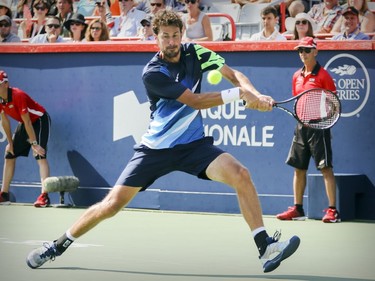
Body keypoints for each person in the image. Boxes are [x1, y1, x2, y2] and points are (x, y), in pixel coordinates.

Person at [26, 10, 300, 273]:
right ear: (155, 38)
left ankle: (265, 247)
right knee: (111, 205)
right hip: (155, 150)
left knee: (241, 174)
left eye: (174, 35)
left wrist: (254, 93)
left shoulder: (195, 52)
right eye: (164, 36)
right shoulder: (153, 72)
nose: (171, 42)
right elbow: (195, 101)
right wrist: (239, 95)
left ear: (182, 33)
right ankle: (57, 246)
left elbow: (233, 74)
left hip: (193, 145)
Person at [276, 37, 340, 223]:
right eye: (300, 50)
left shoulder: (324, 76)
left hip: (319, 127)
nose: (302, 53)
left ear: (315, 52)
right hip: (301, 127)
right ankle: (297, 209)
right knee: (299, 168)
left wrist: (325, 122)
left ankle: (332, 211)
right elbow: (298, 100)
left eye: (306, 50)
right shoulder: (296, 75)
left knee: (325, 168)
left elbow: (334, 102)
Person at [0, 70, 52, 207]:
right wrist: (10, 143)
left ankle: (44, 196)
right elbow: (4, 120)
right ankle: (4, 195)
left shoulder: (18, 95)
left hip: (39, 120)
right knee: (9, 154)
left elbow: (28, 121)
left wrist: (34, 143)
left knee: (40, 155)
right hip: (25, 123)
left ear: (6, 84)